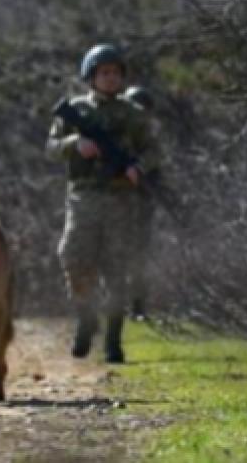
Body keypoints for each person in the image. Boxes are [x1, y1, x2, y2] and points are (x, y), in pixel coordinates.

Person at [45, 44, 158, 363]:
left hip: (121, 200)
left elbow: (154, 150)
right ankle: (86, 317)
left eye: (115, 73)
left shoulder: (133, 114)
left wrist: (138, 168)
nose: (110, 78)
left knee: (116, 269)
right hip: (83, 198)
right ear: (91, 76)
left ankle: (113, 340)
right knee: (74, 258)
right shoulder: (76, 109)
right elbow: (51, 147)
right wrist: (75, 143)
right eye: (104, 73)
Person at [122, 85, 158, 320]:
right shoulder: (116, 134)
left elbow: (155, 166)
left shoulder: (148, 141)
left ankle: (137, 307)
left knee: (139, 257)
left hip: (140, 204)